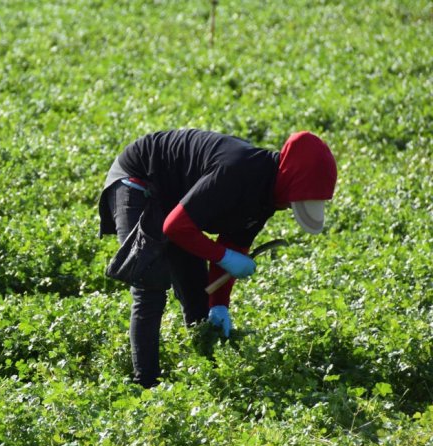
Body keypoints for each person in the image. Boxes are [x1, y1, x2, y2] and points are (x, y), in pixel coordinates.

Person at [99, 129, 337, 388]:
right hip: (139, 180)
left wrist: (219, 304)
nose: (290, 208)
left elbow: (232, 243)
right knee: (150, 285)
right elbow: (176, 228)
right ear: (290, 180)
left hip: (175, 201)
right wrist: (225, 257)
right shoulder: (237, 171)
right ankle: (146, 386)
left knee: (198, 297)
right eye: (294, 202)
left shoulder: (268, 197)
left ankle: (206, 376)